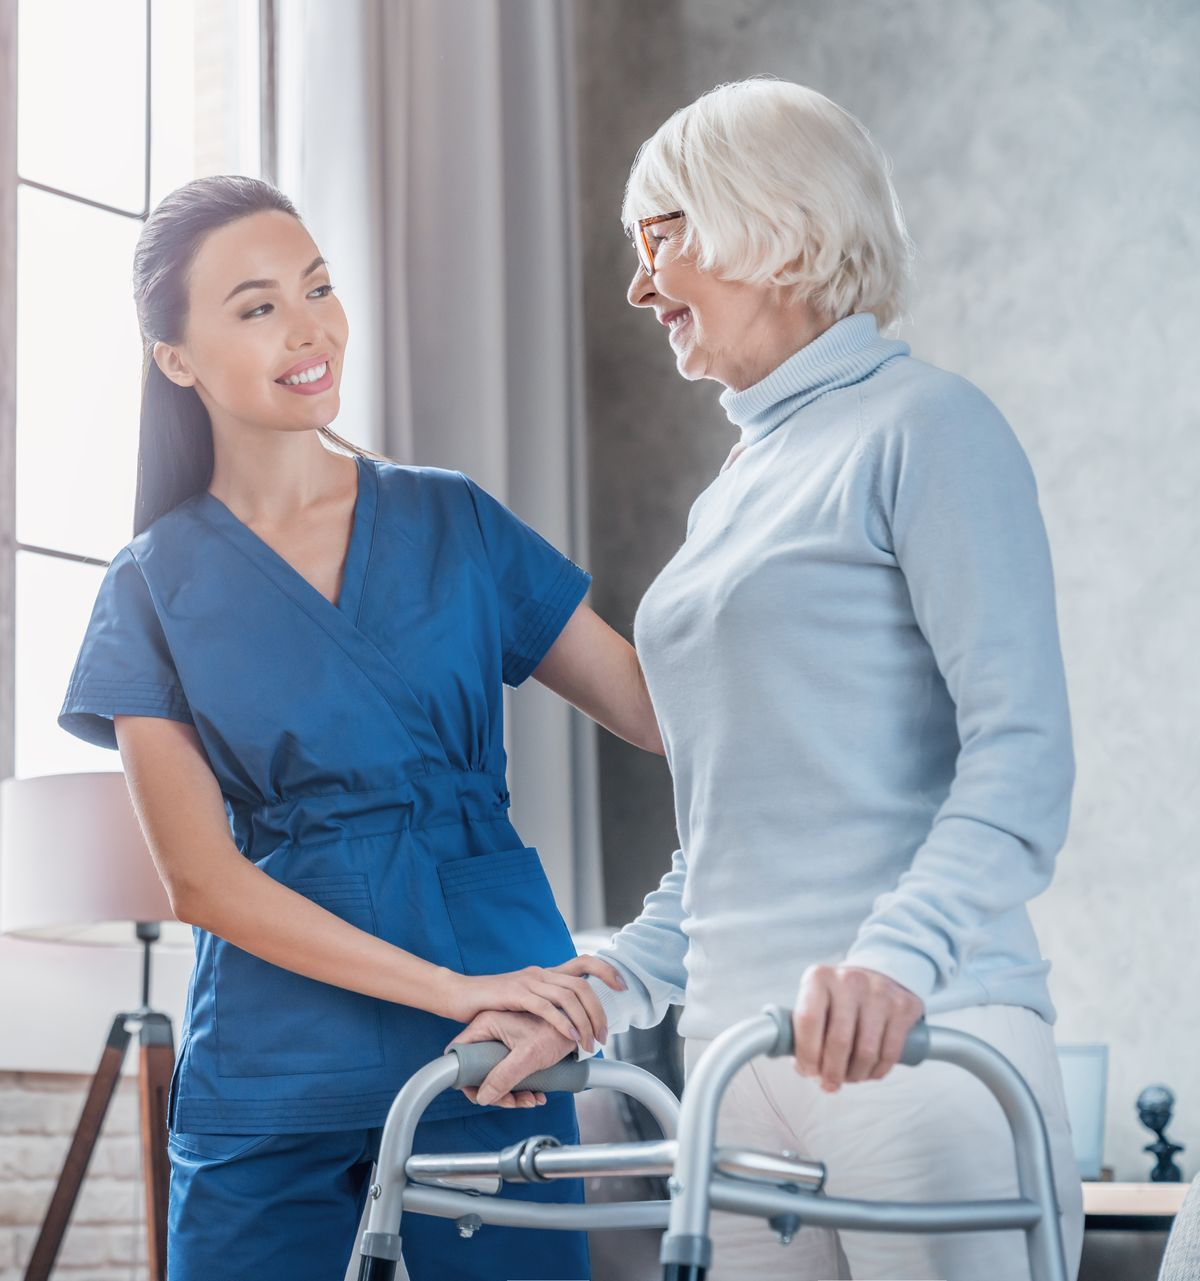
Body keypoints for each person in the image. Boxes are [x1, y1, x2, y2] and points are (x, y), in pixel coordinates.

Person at [452, 78, 1086, 1281]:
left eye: (660, 238)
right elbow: (733, 839)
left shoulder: (929, 426)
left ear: (773, 222)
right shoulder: (735, 490)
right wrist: (606, 984)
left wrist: (895, 961)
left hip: (923, 1046)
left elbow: (1023, 753)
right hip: (735, 1067)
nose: (639, 287)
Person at [56, 174, 656, 1281]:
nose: (311, 327)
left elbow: (659, 715)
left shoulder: (455, 520)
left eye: (318, 287)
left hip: (494, 1055)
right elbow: (203, 884)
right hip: (279, 1065)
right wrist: (448, 989)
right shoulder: (149, 588)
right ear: (175, 358)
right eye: (257, 305)